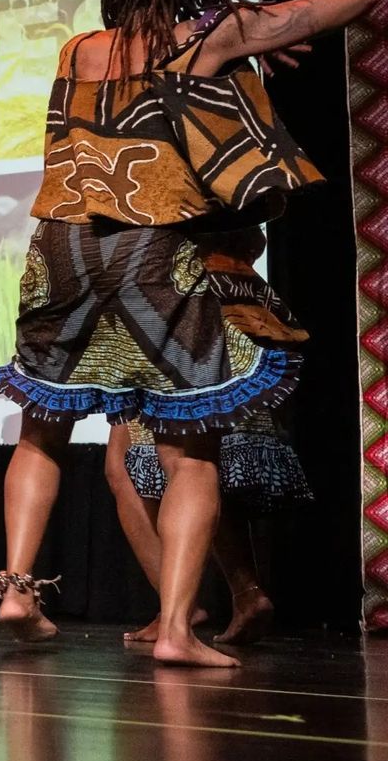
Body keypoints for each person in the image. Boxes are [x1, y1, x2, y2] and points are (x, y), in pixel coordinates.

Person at [0, 0, 373, 666]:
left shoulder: (78, 49)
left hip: (59, 248)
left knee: (41, 429)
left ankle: (16, 589)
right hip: (152, 248)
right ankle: (174, 629)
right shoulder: (211, 35)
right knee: (189, 447)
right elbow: (351, 3)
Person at [102, 228, 308, 647]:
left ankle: (180, 610)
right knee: (183, 461)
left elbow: (253, 237)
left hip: (174, 312)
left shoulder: (167, 187)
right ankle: (227, 597)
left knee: (184, 461)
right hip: (191, 308)